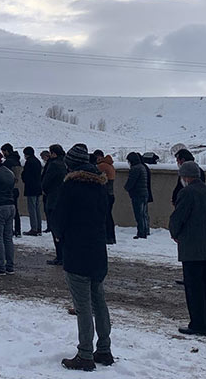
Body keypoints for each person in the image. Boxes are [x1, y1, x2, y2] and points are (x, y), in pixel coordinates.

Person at [52, 144, 112, 372]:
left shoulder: (71, 186)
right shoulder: (100, 187)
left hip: (77, 251)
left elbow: (60, 217)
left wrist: (59, 236)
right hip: (98, 251)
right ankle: (104, 349)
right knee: (99, 301)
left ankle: (85, 353)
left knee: (83, 305)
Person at [168, 161, 206, 336]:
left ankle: (198, 324)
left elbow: (178, 217)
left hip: (192, 247)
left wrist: (174, 232)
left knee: (193, 287)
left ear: (185, 177)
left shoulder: (187, 193)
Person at [43, 144, 67, 265]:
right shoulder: (65, 164)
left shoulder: (53, 165)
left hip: (53, 199)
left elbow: (46, 182)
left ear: (53, 153)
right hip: (64, 199)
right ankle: (64, 255)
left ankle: (60, 256)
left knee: (55, 229)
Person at [125, 152, 149, 239]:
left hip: (137, 194)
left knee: (139, 215)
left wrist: (126, 188)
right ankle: (145, 230)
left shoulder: (135, 169)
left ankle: (141, 233)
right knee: (143, 214)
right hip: (144, 193)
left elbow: (131, 182)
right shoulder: (142, 167)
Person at [94, 150, 116, 244]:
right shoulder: (110, 165)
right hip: (111, 194)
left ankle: (108, 237)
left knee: (105, 217)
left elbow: (93, 171)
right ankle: (111, 237)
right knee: (109, 216)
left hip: (105, 194)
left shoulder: (102, 166)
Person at [1, 143, 22, 236]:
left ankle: (10, 230)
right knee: (15, 210)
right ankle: (18, 230)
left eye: (3, 152)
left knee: (8, 211)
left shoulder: (8, 162)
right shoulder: (17, 160)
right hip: (17, 188)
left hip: (9, 188)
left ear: (7, 151)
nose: (3, 154)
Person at [22, 146, 43, 235]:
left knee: (32, 209)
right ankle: (38, 227)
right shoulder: (37, 161)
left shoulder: (29, 162)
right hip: (38, 187)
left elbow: (25, 175)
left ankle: (33, 228)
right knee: (37, 208)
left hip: (31, 188)